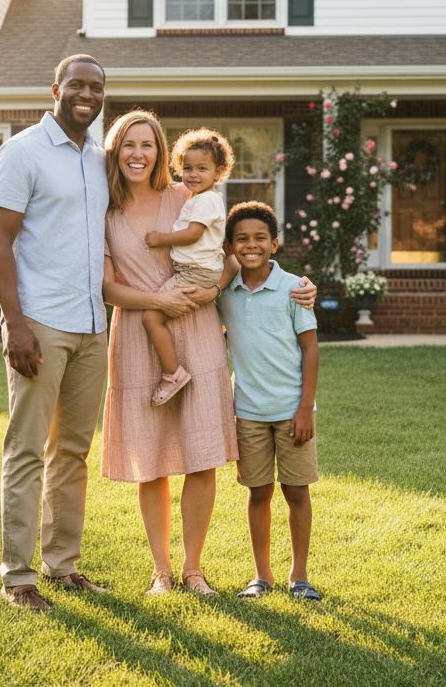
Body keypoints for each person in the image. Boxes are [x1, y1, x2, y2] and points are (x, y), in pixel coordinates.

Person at [99, 110, 316, 596]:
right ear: (115, 151)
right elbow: (108, 287)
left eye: (148, 144)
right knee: (150, 461)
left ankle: (193, 569)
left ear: (161, 153)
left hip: (196, 330)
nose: (138, 154)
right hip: (137, 334)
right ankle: (161, 571)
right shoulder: (105, 212)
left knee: (200, 456)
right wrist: (157, 300)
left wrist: (296, 286)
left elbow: (239, 251)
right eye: (128, 145)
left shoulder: (187, 196)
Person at [0, 54, 110, 612]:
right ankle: (18, 575)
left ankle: (63, 565)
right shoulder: (23, 153)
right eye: (77, 85)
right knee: (27, 449)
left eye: (96, 87)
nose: (87, 93)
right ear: (56, 89)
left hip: (92, 326)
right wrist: (15, 323)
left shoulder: (99, 160)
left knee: (74, 452)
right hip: (39, 323)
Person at [218, 201, 324, 603]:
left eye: (260, 238)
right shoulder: (225, 290)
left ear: (274, 244)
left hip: (292, 412)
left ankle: (300, 576)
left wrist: (304, 407)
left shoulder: (295, 288)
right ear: (230, 247)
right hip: (247, 413)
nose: (251, 245)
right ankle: (262, 576)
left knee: (296, 492)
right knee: (257, 493)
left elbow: (310, 351)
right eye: (242, 239)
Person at [141, 128, 231, 406]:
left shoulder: (207, 200)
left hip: (197, 273)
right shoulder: (197, 198)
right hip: (195, 270)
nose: (193, 174)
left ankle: (173, 373)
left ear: (218, 172)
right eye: (187, 168)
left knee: (151, 318)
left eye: (202, 169)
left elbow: (193, 234)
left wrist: (160, 239)